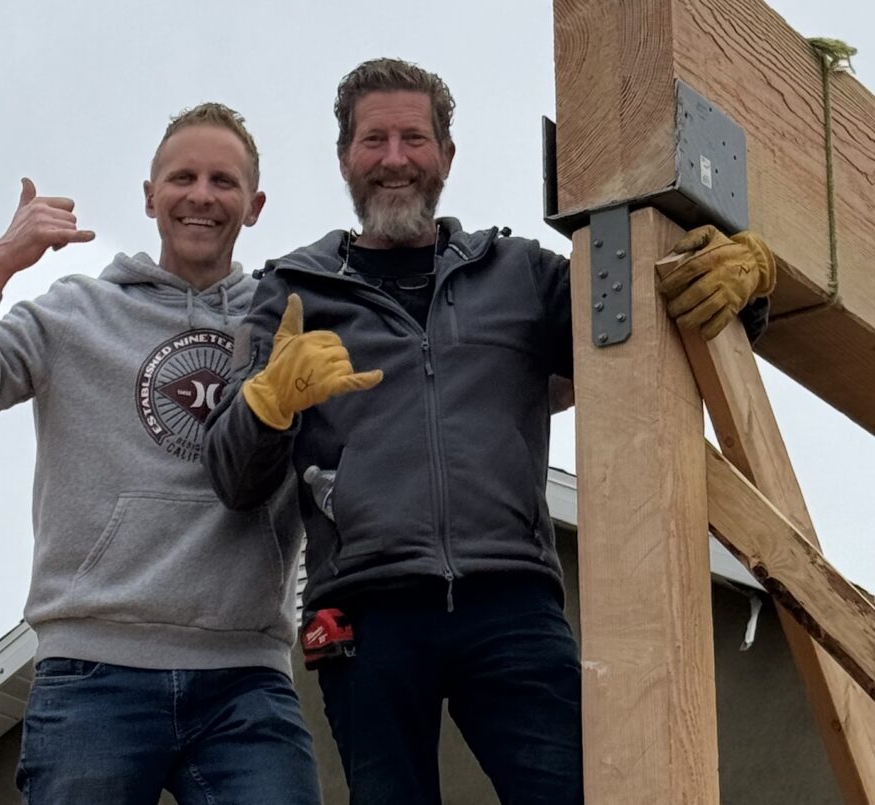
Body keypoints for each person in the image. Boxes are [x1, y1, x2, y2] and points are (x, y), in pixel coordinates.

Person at [204, 59, 774, 805]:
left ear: (447, 155)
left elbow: (655, 326)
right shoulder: (293, 292)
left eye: (415, 138)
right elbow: (231, 478)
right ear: (346, 157)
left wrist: (754, 280)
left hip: (512, 599)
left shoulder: (519, 275)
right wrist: (267, 403)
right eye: (374, 140)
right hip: (364, 614)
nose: (395, 159)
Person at [0, 103, 321, 805]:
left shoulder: (289, 322)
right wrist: (0, 262)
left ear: (254, 205)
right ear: (150, 195)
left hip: (248, 679)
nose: (202, 195)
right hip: (93, 670)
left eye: (224, 180)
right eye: (183, 177)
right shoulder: (72, 315)